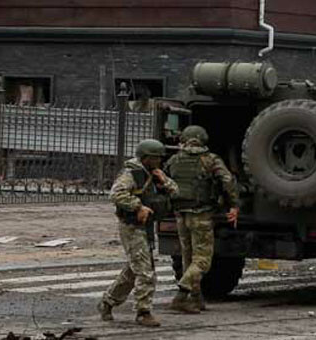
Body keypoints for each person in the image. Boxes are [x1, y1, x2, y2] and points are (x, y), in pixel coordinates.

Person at [98, 139, 177, 327]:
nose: (158, 162)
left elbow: (175, 190)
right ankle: (143, 311)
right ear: (145, 158)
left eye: (160, 159)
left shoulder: (153, 173)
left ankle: (108, 302)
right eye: (155, 158)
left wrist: (163, 179)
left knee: (134, 271)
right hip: (132, 227)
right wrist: (138, 206)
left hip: (146, 227)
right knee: (145, 272)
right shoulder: (131, 174)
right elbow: (116, 194)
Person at [164, 125, 239, 313]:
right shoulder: (210, 160)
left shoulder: (174, 160)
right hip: (201, 214)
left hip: (180, 214)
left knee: (188, 259)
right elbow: (228, 181)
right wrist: (234, 204)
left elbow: (164, 180)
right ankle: (181, 296)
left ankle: (197, 299)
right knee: (203, 261)